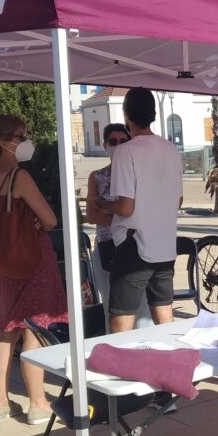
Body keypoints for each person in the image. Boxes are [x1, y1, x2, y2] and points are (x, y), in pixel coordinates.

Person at [0, 114, 68, 425]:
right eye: (21, 136)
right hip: (33, 260)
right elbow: (50, 220)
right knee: (34, 329)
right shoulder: (19, 177)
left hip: (6, 261)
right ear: (4, 142)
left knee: (7, 330)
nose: (26, 140)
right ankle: (37, 403)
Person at [95, 87, 184, 333]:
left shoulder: (126, 151)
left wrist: (103, 204)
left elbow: (125, 206)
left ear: (126, 116)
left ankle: (122, 370)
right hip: (165, 244)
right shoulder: (170, 148)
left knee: (121, 318)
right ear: (154, 114)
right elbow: (177, 201)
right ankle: (170, 363)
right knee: (164, 313)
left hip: (135, 244)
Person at [85, 123, 151, 327]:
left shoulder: (139, 175)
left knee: (143, 308)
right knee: (112, 307)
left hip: (139, 246)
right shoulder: (97, 177)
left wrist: (108, 208)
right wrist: (124, 214)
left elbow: (144, 212)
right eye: (112, 142)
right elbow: (92, 216)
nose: (118, 145)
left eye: (123, 141)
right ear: (105, 145)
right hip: (108, 247)